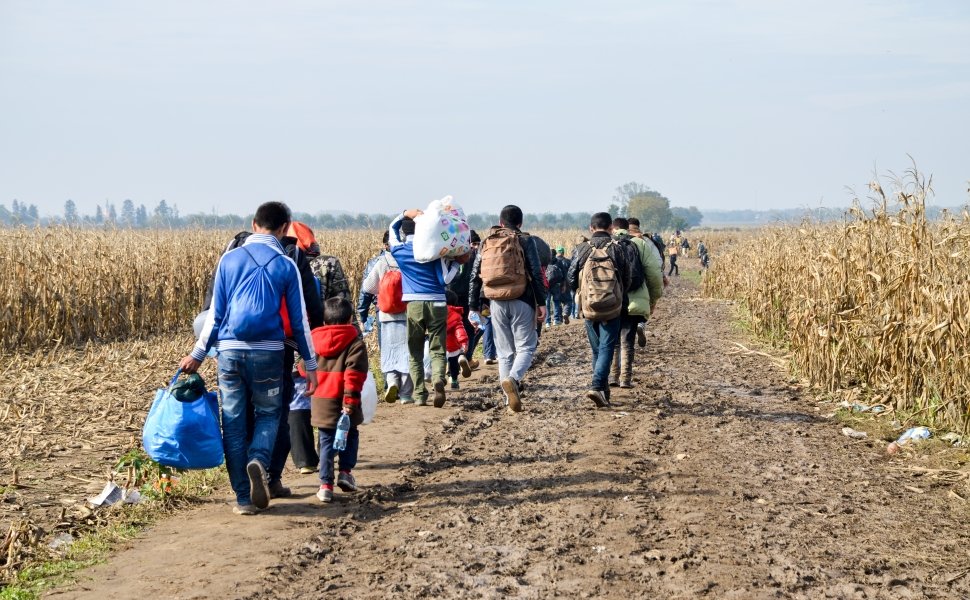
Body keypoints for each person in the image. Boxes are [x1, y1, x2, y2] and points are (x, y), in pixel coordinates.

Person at [180, 201, 318, 516]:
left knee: (234, 423)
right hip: (269, 352)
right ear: (285, 229)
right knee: (270, 415)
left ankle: (243, 499)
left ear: (254, 224)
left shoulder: (229, 260)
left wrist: (198, 354)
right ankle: (259, 459)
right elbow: (300, 322)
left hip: (229, 353)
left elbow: (215, 314)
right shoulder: (286, 265)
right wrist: (310, 366)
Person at [469, 205, 546, 412]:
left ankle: (507, 399)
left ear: (501, 223)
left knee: (504, 353)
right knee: (526, 347)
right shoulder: (525, 240)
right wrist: (542, 303)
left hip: (495, 302)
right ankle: (513, 378)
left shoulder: (487, 241)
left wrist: (474, 306)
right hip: (522, 299)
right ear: (520, 223)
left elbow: (475, 275)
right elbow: (536, 274)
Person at [389, 210, 459, 407]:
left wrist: (404, 213)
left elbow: (391, 228)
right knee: (438, 347)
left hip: (414, 304)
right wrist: (455, 266)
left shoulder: (400, 251)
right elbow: (444, 279)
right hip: (438, 301)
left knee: (415, 350)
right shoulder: (433, 250)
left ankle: (419, 394)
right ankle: (438, 378)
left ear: (405, 232)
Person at [308, 297, 368, 503]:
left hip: (321, 402)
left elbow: (302, 368)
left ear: (324, 321)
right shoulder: (355, 343)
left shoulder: (313, 342)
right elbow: (354, 375)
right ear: (350, 318)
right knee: (350, 435)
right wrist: (350, 401)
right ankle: (345, 472)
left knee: (325, 442)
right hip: (345, 403)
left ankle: (325, 485)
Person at [568, 212, 631, 408]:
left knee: (597, 350)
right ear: (611, 228)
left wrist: (583, 293)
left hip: (589, 308)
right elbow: (628, 278)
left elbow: (571, 277)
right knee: (606, 348)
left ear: (591, 228)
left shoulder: (582, 249)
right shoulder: (618, 249)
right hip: (613, 307)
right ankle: (598, 387)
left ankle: (603, 391)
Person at [359, 234, 414, 405]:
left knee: (389, 351)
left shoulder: (381, 262)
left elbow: (367, 287)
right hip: (407, 313)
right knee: (407, 352)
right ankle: (405, 394)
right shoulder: (409, 261)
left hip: (385, 314)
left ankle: (391, 383)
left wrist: (363, 312)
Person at [610, 217, 664, 388]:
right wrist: (654, 298)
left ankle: (612, 376)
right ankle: (625, 379)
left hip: (611, 299)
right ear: (629, 229)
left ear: (614, 228)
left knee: (613, 340)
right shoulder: (640, 244)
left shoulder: (608, 244)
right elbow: (654, 273)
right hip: (635, 299)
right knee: (628, 340)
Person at [447, 230, 482, 366]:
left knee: (455, 329)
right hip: (467, 298)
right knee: (470, 329)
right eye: (473, 243)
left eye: (478, 244)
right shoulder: (474, 256)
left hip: (452, 298)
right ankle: (466, 357)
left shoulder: (451, 255)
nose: (475, 246)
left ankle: (456, 361)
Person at [357, 231, 390, 337]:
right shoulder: (408, 260)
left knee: (385, 347)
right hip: (405, 309)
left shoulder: (375, 262)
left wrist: (363, 316)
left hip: (382, 309)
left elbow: (366, 291)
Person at [445, 290, 471, 389]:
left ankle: (437, 380)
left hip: (439, 343)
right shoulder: (456, 315)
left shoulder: (436, 313)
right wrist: (464, 342)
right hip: (453, 346)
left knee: (438, 363)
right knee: (453, 364)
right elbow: (459, 329)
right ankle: (454, 381)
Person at [544, 248, 565, 327]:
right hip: (556, 284)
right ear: (555, 254)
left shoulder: (545, 261)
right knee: (556, 302)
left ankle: (547, 322)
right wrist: (563, 285)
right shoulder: (558, 261)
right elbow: (563, 274)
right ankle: (556, 320)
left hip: (546, 285)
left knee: (547, 303)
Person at [555, 246, 573, 324]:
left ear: (557, 252)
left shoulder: (553, 261)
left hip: (555, 285)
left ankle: (559, 319)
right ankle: (566, 313)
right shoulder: (568, 261)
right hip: (566, 284)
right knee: (568, 301)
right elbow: (571, 273)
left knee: (557, 302)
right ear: (563, 252)